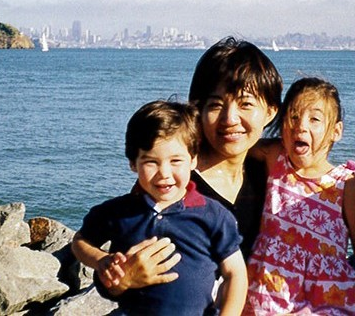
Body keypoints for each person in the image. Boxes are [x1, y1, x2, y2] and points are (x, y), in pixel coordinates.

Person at [82, 37, 355, 297]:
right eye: (215, 104)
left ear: (270, 111)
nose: (230, 118)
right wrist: (119, 280)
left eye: (245, 105)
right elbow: (116, 262)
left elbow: (336, 184)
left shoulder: (272, 164)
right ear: (195, 108)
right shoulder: (172, 180)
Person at [71, 100, 248, 315]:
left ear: (193, 160)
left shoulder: (214, 215)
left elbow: (235, 273)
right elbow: (81, 241)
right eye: (151, 162)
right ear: (132, 163)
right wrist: (100, 260)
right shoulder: (118, 212)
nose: (164, 172)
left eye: (175, 161)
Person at [244, 77, 355, 315]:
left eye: (314, 119)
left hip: (326, 302)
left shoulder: (346, 184)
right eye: (293, 116)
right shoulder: (275, 158)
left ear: (336, 131)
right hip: (268, 297)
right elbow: (236, 144)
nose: (300, 126)